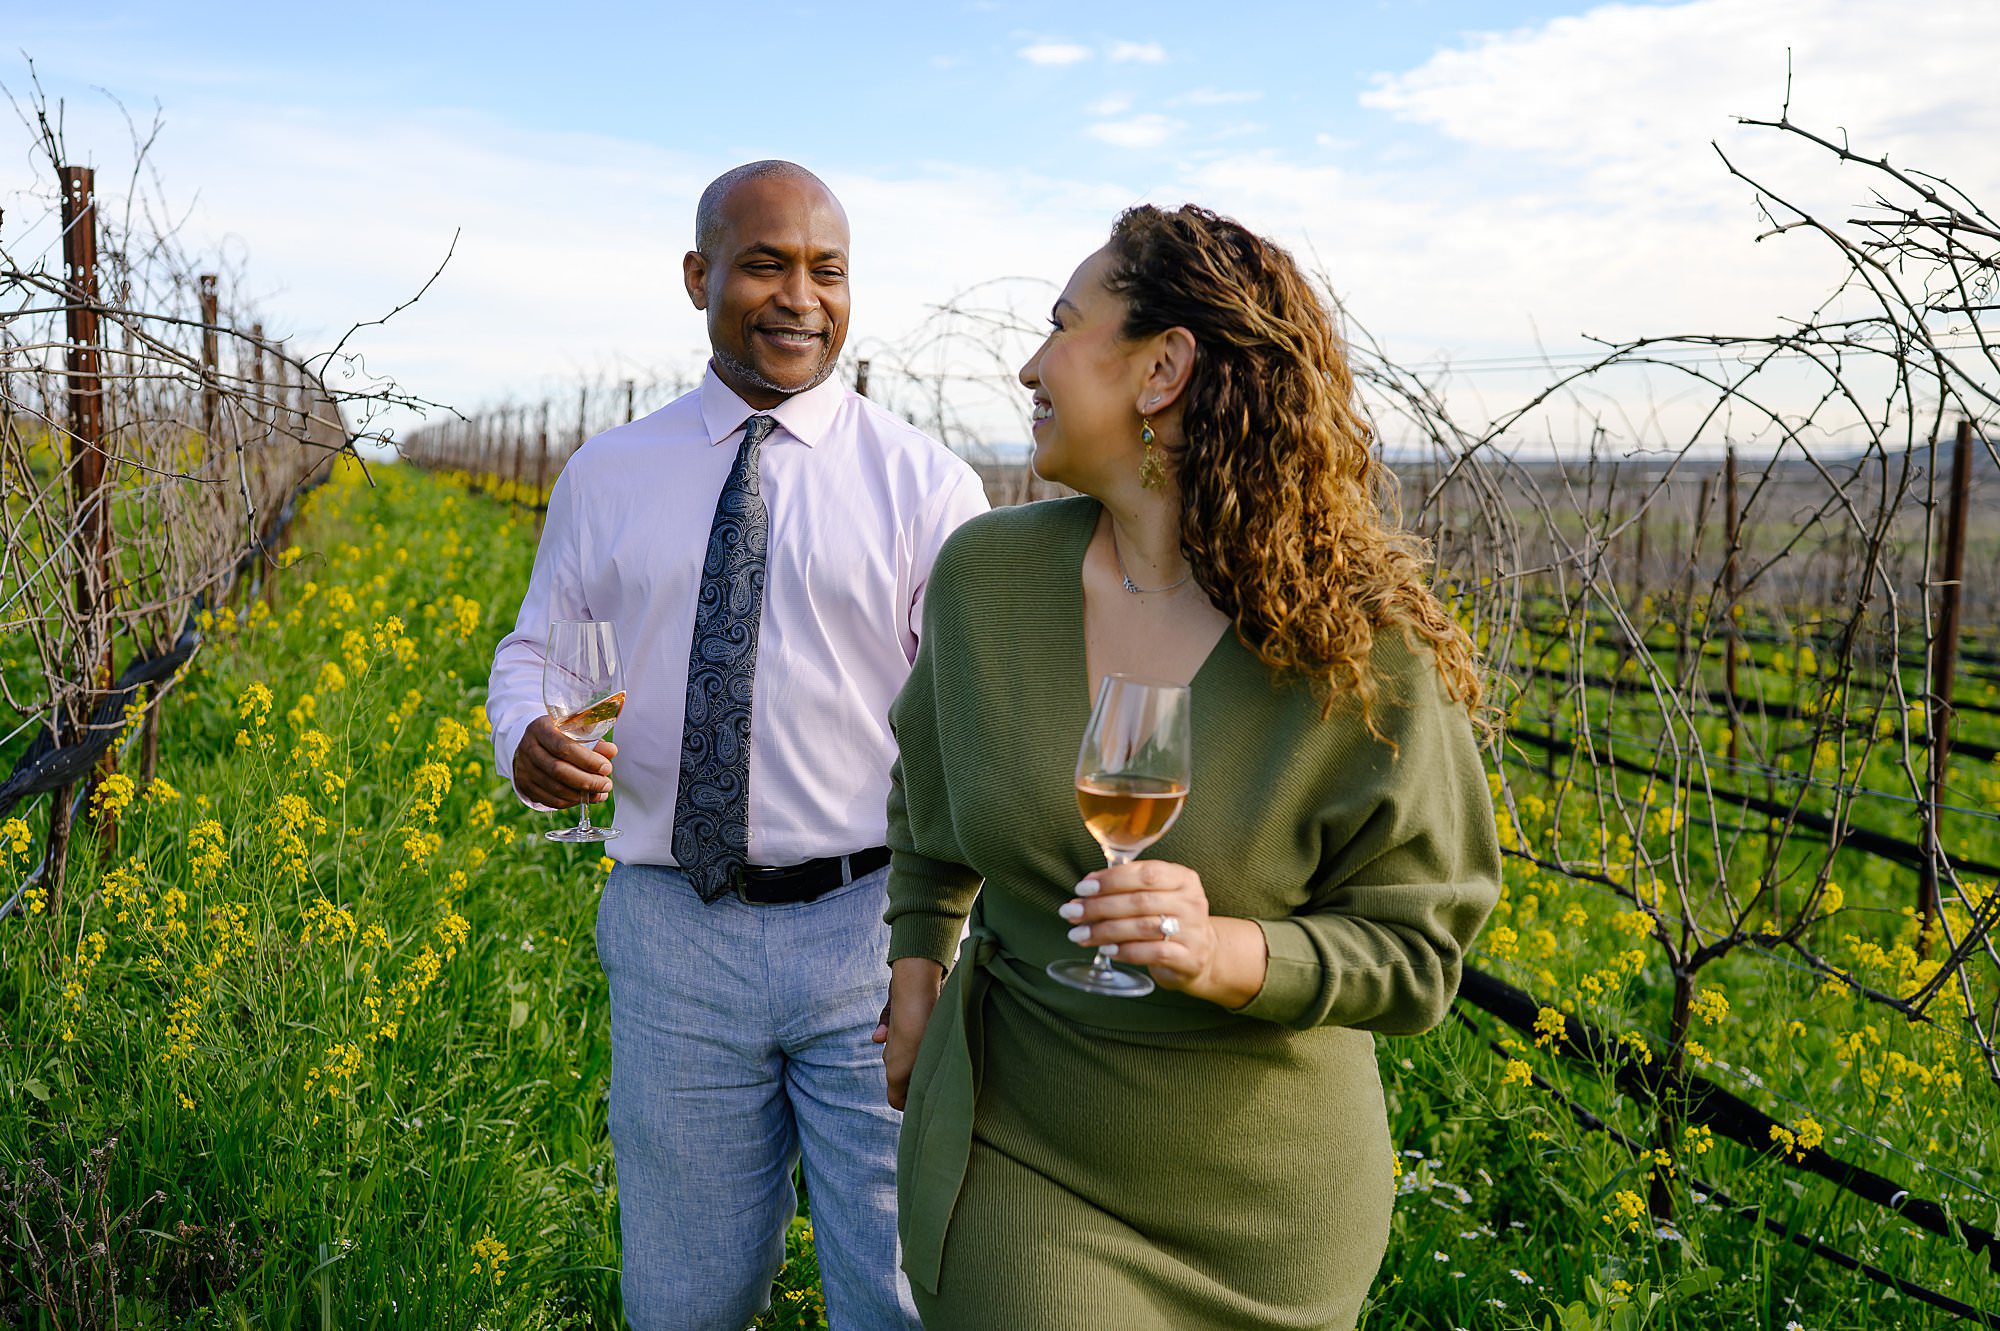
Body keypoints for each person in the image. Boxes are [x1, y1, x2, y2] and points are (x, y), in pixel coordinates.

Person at [875, 204, 1502, 1329]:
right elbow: (926, 796)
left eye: (1061, 324)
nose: (1029, 364)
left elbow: (1418, 950)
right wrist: (917, 968)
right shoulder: (984, 580)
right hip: (1020, 1150)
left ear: (1161, 368)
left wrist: (1222, 950)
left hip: (1269, 1211)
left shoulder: (1361, 653)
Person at [488, 160, 988, 1331]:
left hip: (874, 933)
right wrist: (526, 736)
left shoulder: (926, 485)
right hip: (673, 932)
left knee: (900, 1291)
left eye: (827, 271)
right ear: (696, 275)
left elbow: (969, 723)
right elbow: (539, 653)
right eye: (765, 264)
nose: (799, 297)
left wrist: (950, 937)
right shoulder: (610, 473)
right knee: (684, 1295)